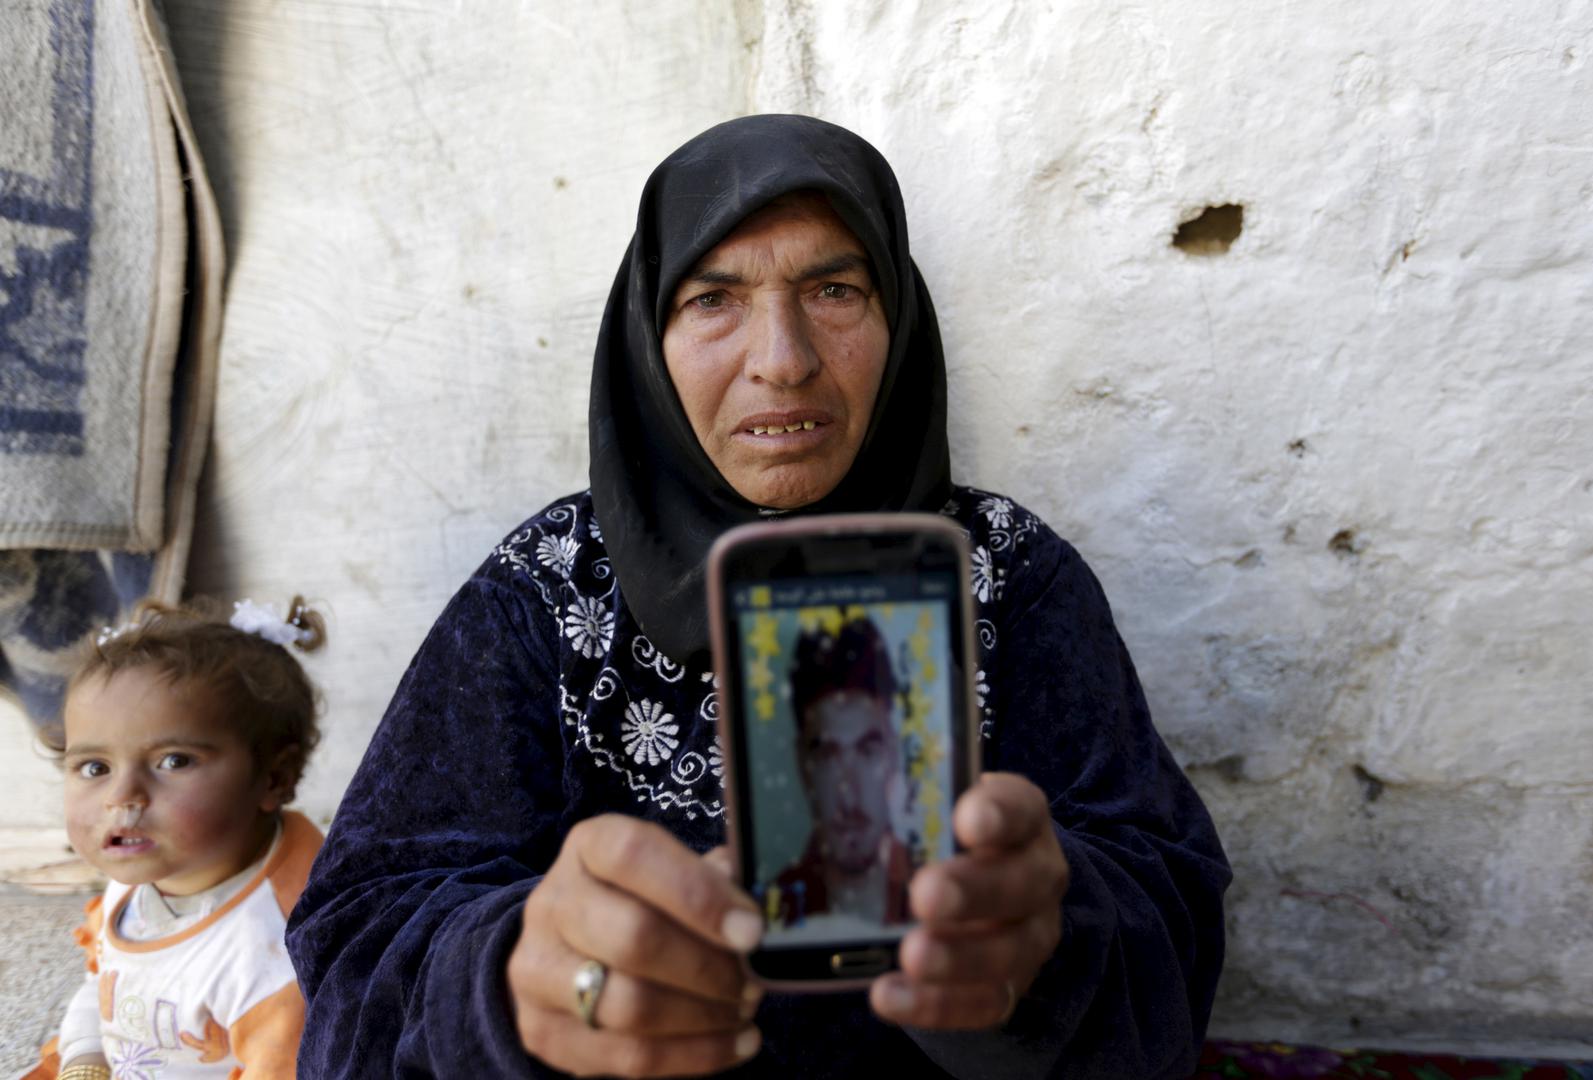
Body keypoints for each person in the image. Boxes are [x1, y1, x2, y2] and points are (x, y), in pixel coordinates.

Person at [288, 114, 1231, 1078]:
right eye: (713, 299)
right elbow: (362, 927)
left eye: (834, 289)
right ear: (647, 337)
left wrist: (1047, 941)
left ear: (897, 318)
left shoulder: (1007, 576)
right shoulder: (547, 587)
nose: (782, 358)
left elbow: (1170, 906)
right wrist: (511, 978)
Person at [25, 598, 327, 1080]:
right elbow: (105, 987)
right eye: (95, 767)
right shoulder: (145, 867)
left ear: (274, 779)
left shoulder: (275, 955)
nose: (122, 798)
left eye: (174, 761)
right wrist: (84, 1059)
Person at [771, 616, 913, 928]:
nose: (849, 793)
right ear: (802, 764)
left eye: (868, 750)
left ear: (893, 752)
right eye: (827, 755)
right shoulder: (770, 913)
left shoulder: (947, 898)